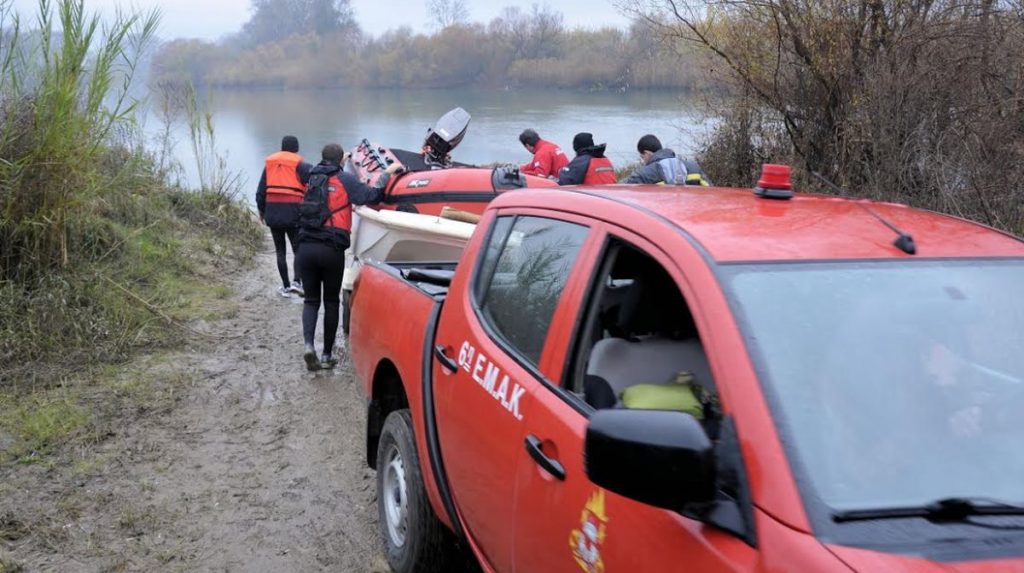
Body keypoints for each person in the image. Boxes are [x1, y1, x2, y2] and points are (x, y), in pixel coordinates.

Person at [296, 143, 402, 371]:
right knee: (331, 302)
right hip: (330, 249)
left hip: (305, 248)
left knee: (311, 300)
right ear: (340, 161)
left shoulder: (310, 176)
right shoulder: (345, 179)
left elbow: (308, 167)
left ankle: (308, 345)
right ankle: (326, 356)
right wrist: (387, 173)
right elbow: (371, 196)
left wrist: (338, 159)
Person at [256, 135, 313, 297]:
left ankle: (286, 287)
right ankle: (297, 282)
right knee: (298, 249)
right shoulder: (300, 164)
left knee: (280, 251)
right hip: (293, 211)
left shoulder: (270, 164)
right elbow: (315, 184)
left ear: (281, 147)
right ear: (297, 149)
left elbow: (260, 192)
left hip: (272, 212)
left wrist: (262, 211)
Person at [621, 134, 711, 186]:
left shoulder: (643, 175)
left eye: (642, 157)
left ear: (647, 153)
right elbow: (710, 189)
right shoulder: (694, 167)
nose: (643, 161)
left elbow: (620, 189)